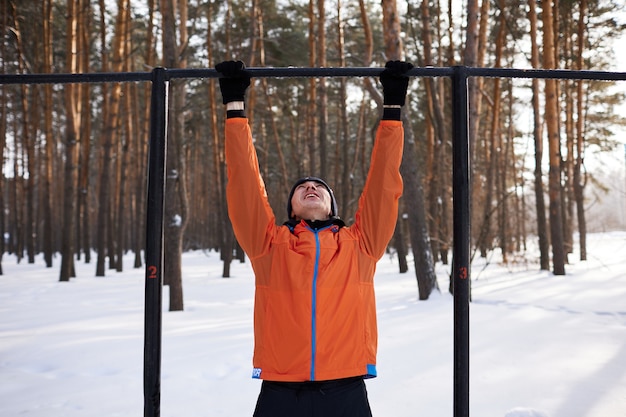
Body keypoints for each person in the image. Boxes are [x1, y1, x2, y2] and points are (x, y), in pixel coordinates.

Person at [215, 59, 413, 417]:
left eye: (318, 187)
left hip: (346, 386)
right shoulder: (269, 247)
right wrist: (234, 107)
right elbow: (244, 184)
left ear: (331, 205)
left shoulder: (360, 246)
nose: (310, 187)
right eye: (302, 187)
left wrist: (393, 107)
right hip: (280, 389)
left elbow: (384, 184)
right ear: (291, 208)